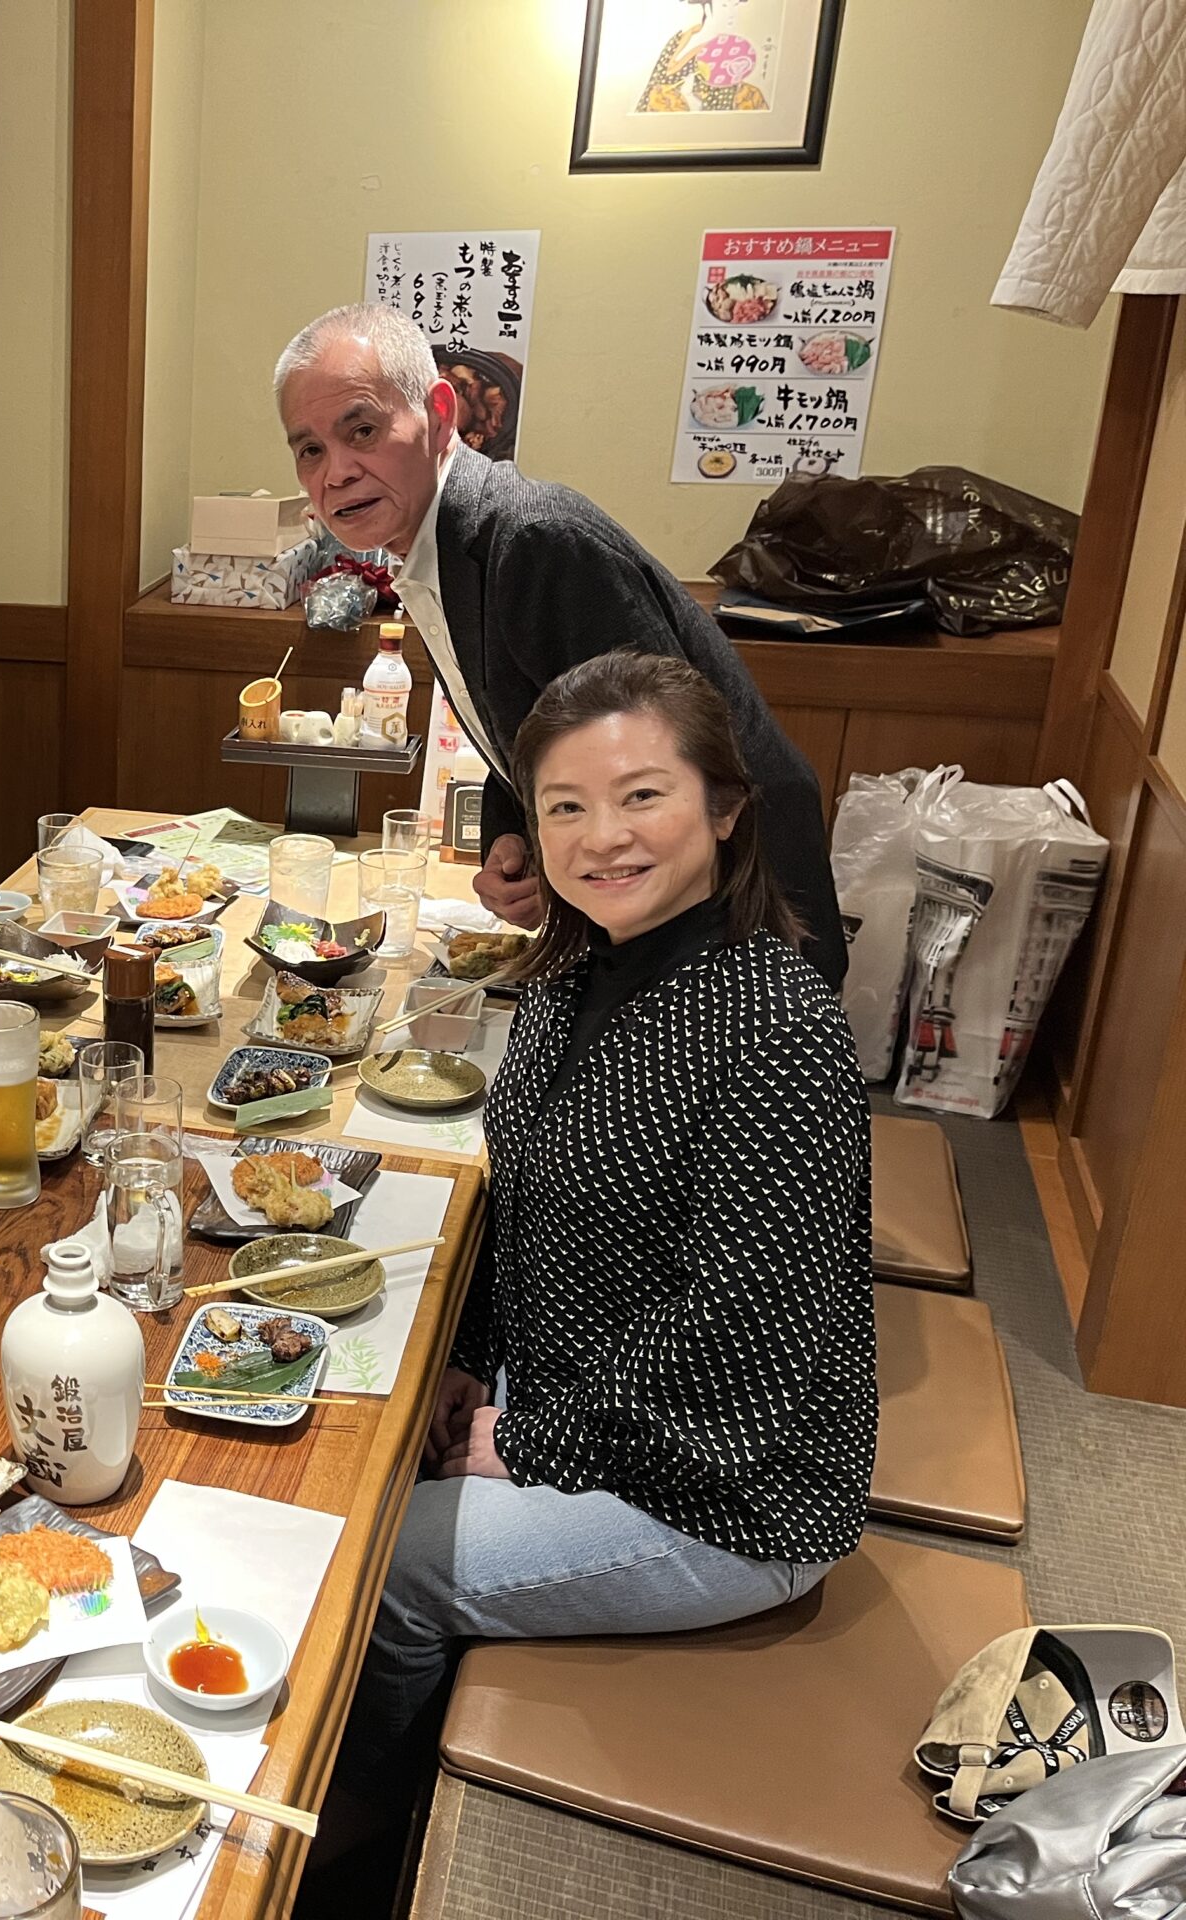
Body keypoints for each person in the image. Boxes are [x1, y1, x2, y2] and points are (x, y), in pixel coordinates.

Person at [325, 652, 873, 1846]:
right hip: (584, 1387)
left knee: (374, 1565)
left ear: (723, 809)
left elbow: (740, 1352)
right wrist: (469, 1354)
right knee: (348, 1429)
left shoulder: (776, 1030)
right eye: (565, 806)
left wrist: (527, 1440)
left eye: (641, 796)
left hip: (730, 1486)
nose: (601, 837)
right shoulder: (577, 968)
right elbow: (519, 1196)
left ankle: (362, 1836)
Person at [273, 302, 846, 985]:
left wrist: (567, 864)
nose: (336, 472)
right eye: (310, 449)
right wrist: (518, 843)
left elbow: (658, 776)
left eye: (362, 430)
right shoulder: (441, 547)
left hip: (736, 911)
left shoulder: (532, 541)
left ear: (440, 414)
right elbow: (534, 728)